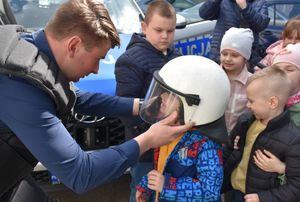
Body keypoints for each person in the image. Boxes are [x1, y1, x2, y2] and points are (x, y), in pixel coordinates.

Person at [0, 1, 193, 201]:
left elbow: (75, 97)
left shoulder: (27, 48)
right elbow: (80, 173)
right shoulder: (22, 87)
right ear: (73, 46)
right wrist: (147, 140)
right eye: (97, 59)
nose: (96, 70)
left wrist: (143, 106)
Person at [135, 55, 231, 201]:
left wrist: (166, 185)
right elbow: (162, 167)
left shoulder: (206, 145)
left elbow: (210, 192)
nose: (162, 98)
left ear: (196, 106)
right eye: (163, 92)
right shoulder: (170, 130)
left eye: (171, 96)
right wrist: (146, 185)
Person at [114, 1, 179, 201]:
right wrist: (153, 132)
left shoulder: (176, 56)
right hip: (145, 150)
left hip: (173, 145)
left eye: (170, 30)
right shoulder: (130, 60)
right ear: (144, 27)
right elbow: (126, 113)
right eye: (158, 30)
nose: (165, 36)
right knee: (143, 194)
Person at [222, 67, 300, 202]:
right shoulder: (245, 121)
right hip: (234, 190)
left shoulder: (293, 139)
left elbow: (296, 186)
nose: (247, 105)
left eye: (251, 101)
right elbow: (228, 150)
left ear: (272, 102)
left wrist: (262, 198)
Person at [199, 0, 270, 72]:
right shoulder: (224, 2)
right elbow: (204, 14)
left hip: (246, 57)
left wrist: (245, 8)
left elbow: (261, 25)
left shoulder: (259, 2)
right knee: (219, 80)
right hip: (220, 54)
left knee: (242, 81)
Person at [220, 27, 254, 132]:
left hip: (239, 137)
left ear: (245, 57)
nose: (228, 59)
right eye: (224, 54)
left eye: (235, 55)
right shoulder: (214, 76)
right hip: (214, 136)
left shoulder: (252, 82)